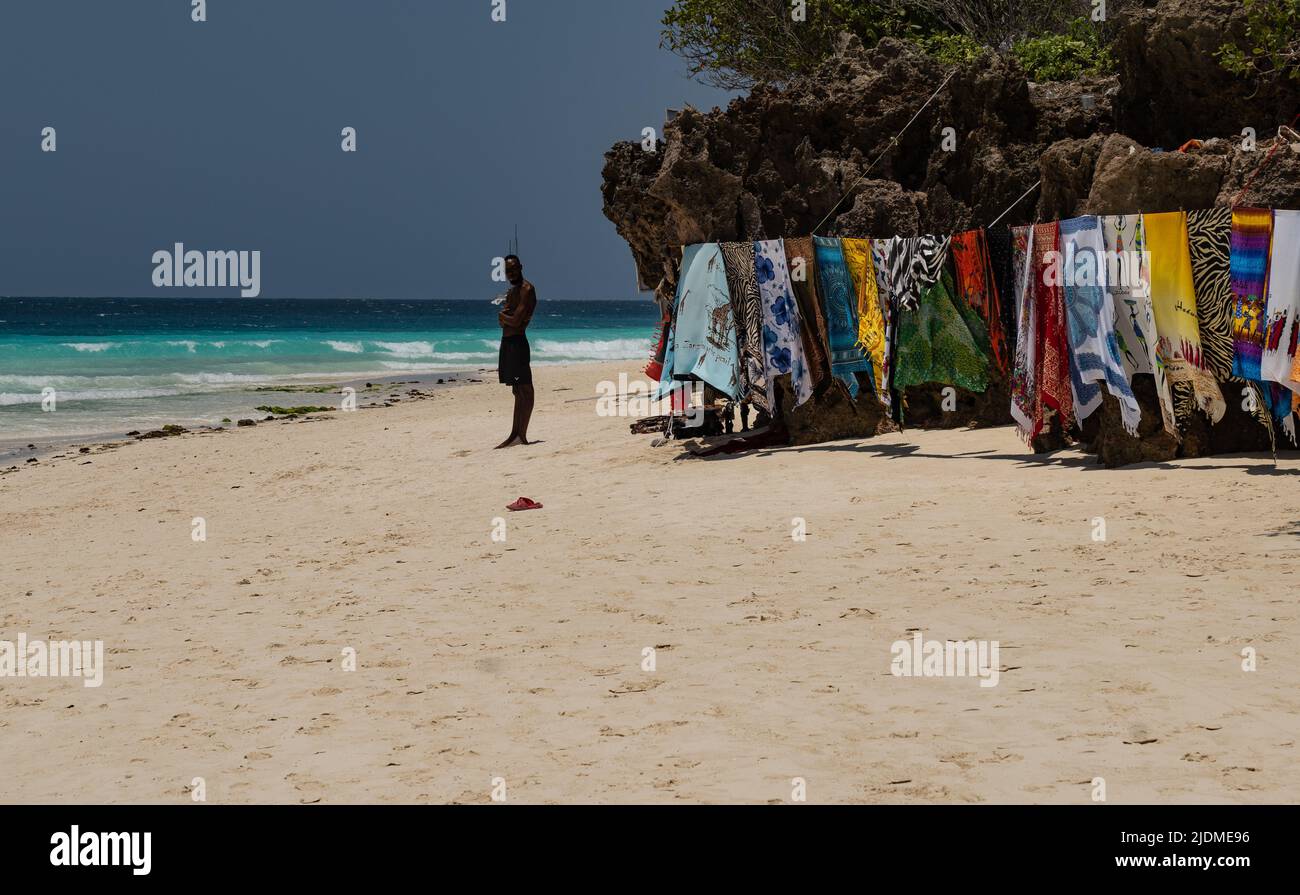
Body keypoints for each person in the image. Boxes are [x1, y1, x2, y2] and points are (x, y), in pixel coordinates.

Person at [495, 254, 537, 449]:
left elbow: (516, 320)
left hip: (518, 342)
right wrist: (505, 316)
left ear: (521, 267)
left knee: (526, 389)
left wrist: (504, 315)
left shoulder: (527, 290)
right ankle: (515, 433)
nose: (511, 273)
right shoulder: (512, 291)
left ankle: (523, 435)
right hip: (508, 342)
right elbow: (504, 320)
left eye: (513, 269)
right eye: (507, 271)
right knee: (516, 390)